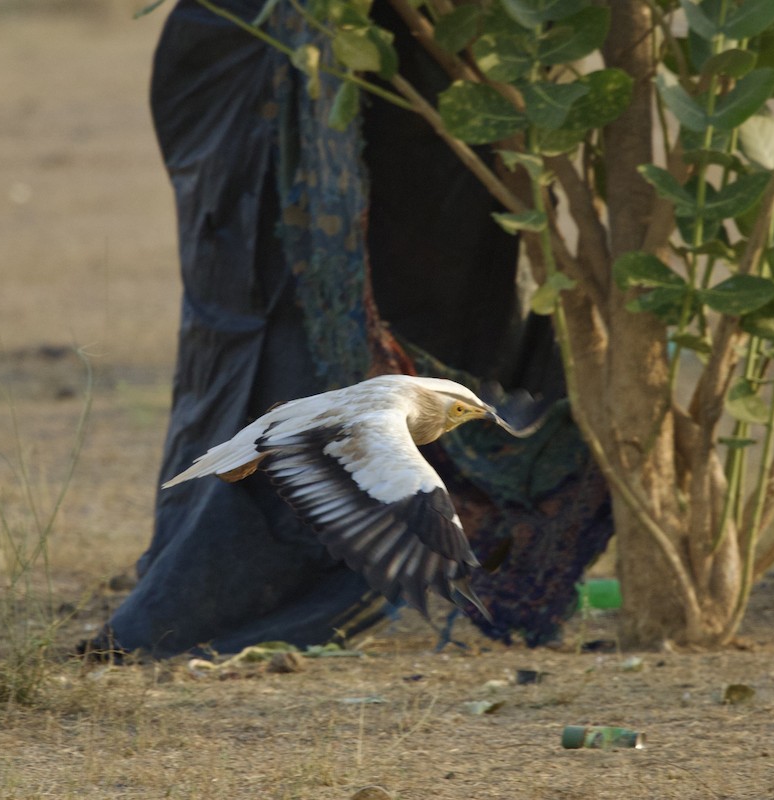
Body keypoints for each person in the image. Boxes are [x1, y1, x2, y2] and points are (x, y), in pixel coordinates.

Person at [80, 0, 611, 660]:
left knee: (431, 285)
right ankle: (257, 561)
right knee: (268, 300)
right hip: (260, 53)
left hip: (434, 51)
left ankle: (373, 547)